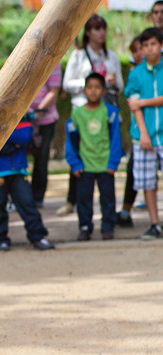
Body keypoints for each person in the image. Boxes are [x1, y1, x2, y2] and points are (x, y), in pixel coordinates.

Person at [61, 14, 124, 217]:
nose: (101, 32)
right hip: (83, 113)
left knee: (103, 158)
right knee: (80, 159)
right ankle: (73, 202)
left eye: (103, 28)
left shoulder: (111, 56)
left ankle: (108, 217)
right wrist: (90, 85)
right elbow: (67, 84)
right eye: (97, 28)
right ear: (88, 32)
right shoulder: (78, 55)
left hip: (105, 113)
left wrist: (110, 83)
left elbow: (120, 87)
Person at [0, 80, 54, 252]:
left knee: (27, 203)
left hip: (18, 169)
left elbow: (24, 136)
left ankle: (38, 236)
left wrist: (2, 141)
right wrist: (10, 143)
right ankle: (0, 239)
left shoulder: (20, 112)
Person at [65, 73, 123, 241]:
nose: (93, 91)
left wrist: (113, 162)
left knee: (107, 198)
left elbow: (115, 139)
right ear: (84, 90)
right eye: (89, 87)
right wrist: (74, 164)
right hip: (85, 165)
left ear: (103, 90)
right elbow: (71, 141)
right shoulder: (77, 115)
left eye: (97, 87)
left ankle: (108, 226)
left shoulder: (110, 112)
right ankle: (85, 227)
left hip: (105, 165)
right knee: (83, 199)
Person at [125, 28, 163, 239]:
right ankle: (155, 223)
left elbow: (140, 102)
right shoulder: (136, 73)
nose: (149, 49)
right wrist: (144, 134)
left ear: (160, 45)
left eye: (153, 44)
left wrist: (143, 102)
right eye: (145, 45)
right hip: (145, 136)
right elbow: (133, 105)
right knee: (148, 183)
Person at [117, 35, 144, 228]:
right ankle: (126, 211)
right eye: (134, 51)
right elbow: (133, 105)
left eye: (140, 49)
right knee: (133, 170)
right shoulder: (135, 74)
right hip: (140, 132)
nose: (139, 53)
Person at [28, 63, 62, 208]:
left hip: (45, 120)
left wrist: (37, 111)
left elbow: (53, 91)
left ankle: (37, 197)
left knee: (41, 159)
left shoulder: (54, 63)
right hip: (25, 120)